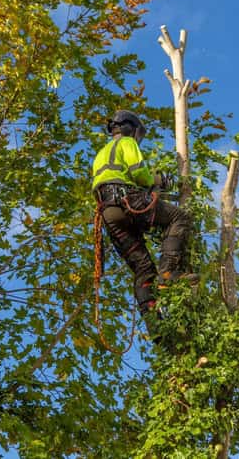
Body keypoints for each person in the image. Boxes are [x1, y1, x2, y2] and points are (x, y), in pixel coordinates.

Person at [92, 110, 196, 334]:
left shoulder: (101, 153)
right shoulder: (127, 143)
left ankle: (155, 327)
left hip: (109, 213)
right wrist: (159, 180)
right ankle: (168, 273)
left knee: (142, 268)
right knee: (179, 217)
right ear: (130, 128)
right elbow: (139, 174)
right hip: (127, 201)